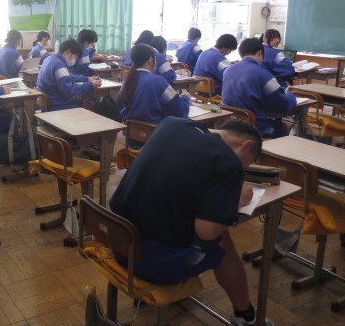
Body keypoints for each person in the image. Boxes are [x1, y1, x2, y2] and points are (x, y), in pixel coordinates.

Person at [110, 116, 272, 326]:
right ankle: (245, 315)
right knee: (222, 240)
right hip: (153, 264)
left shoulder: (171, 124)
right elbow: (207, 232)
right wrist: (236, 201)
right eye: (246, 164)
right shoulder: (227, 160)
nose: (242, 169)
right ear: (246, 145)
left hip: (117, 240)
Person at [222, 38, 297, 138]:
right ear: (260, 52)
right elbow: (281, 103)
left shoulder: (228, 69)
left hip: (230, 123)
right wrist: (292, 97)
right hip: (254, 128)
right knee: (284, 126)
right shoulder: (263, 74)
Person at [118, 44, 190, 148]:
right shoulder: (158, 81)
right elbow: (178, 112)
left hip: (131, 141)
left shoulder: (126, 83)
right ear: (151, 61)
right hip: (156, 143)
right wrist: (185, 98)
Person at [37, 38, 102, 111]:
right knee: (90, 107)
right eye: (75, 57)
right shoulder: (59, 65)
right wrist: (91, 85)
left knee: (85, 103)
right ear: (68, 52)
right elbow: (68, 90)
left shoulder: (50, 59)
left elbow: (67, 77)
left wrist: (87, 79)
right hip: (57, 105)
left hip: (52, 101)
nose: (75, 61)